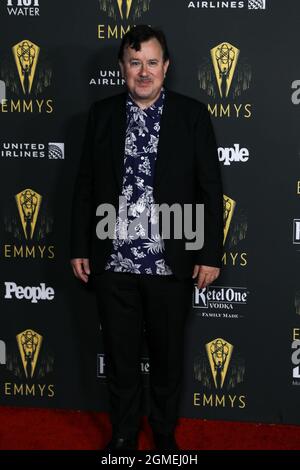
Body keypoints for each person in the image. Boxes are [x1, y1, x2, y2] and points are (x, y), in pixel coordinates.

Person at [70, 25, 223, 451]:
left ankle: (162, 433)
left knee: (167, 358)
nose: (143, 71)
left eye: (152, 63)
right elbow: (84, 185)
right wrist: (80, 246)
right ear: (122, 67)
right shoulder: (102, 115)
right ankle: (122, 433)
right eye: (135, 62)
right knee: (119, 359)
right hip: (114, 262)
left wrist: (209, 252)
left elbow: (210, 188)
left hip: (169, 262)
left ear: (166, 67)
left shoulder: (192, 115)